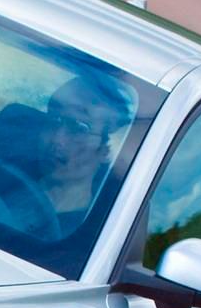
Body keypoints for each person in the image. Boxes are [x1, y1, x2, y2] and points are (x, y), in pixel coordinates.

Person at [34, 74, 131, 230]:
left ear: (106, 150)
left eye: (78, 128)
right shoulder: (2, 175)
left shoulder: (99, 232)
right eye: (54, 120)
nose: (57, 139)